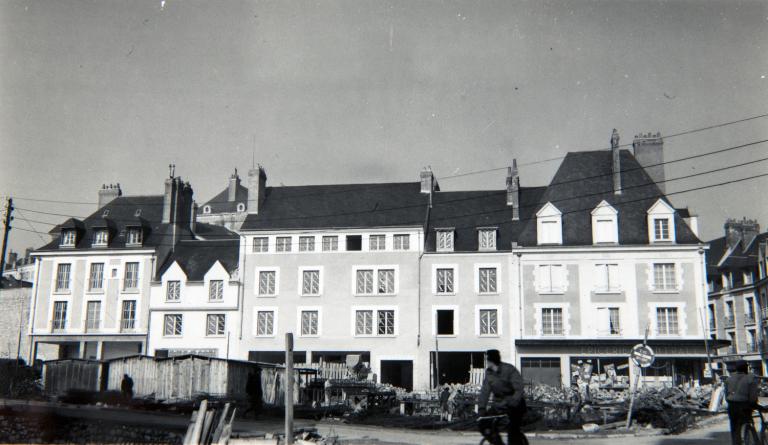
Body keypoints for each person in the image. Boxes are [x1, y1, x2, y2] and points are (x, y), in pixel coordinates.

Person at [478, 349, 527, 445]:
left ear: (491, 361)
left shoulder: (509, 369)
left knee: (513, 431)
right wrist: (481, 408)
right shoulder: (489, 374)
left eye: (486, 360)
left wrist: (513, 401)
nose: (485, 362)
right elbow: (485, 391)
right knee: (484, 424)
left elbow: (519, 388)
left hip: (515, 405)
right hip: (499, 406)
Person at [725, 360, 763, 445]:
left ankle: (736, 443)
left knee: (735, 428)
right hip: (744, 405)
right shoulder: (751, 378)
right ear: (746, 368)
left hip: (732, 405)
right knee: (749, 422)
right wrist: (754, 405)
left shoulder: (729, 378)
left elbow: (726, 394)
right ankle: (755, 439)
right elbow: (753, 396)